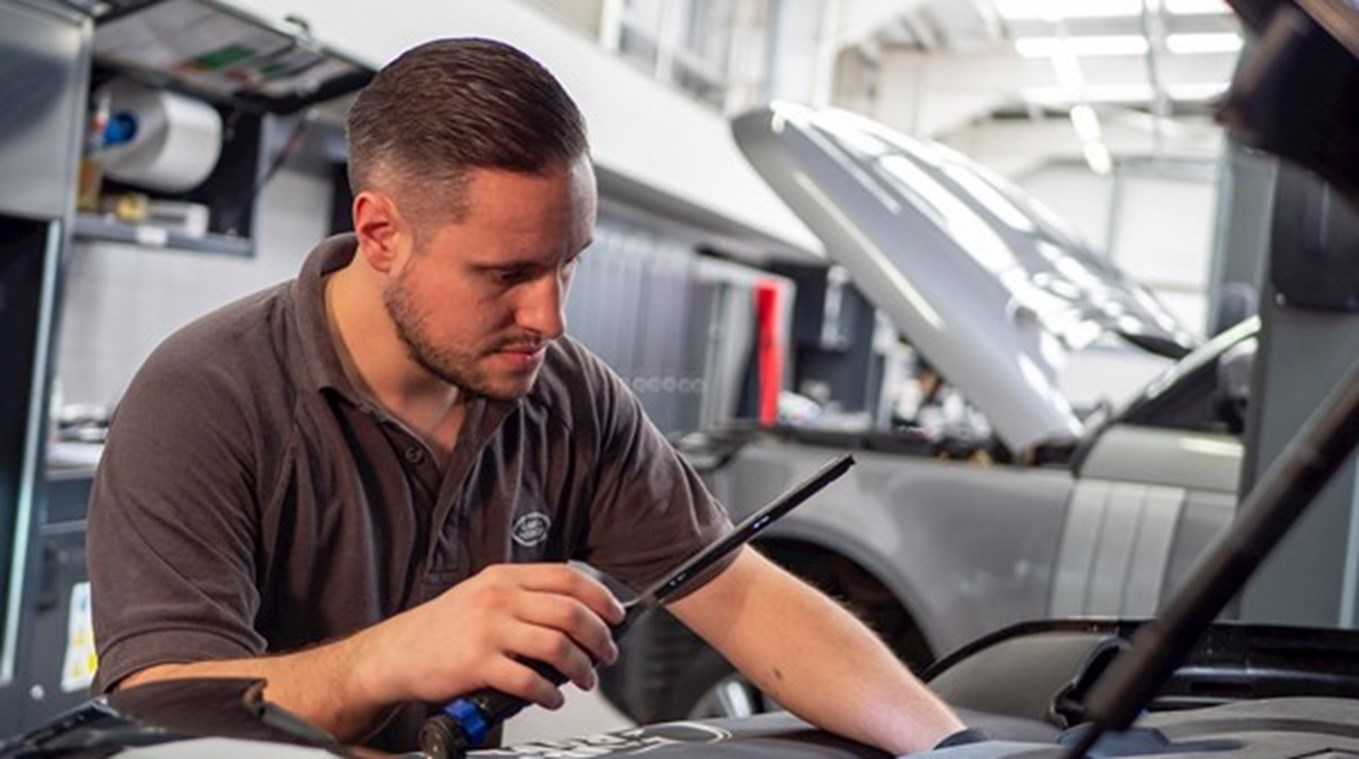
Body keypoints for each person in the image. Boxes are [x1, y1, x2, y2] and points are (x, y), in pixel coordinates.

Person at [87, 37, 965, 753]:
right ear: (380, 232)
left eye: (566, 261)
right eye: (505, 273)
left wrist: (951, 747)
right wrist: (391, 658)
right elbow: (159, 715)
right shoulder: (206, 396)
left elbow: (739, 595)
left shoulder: (569, 395)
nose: (548, 315)